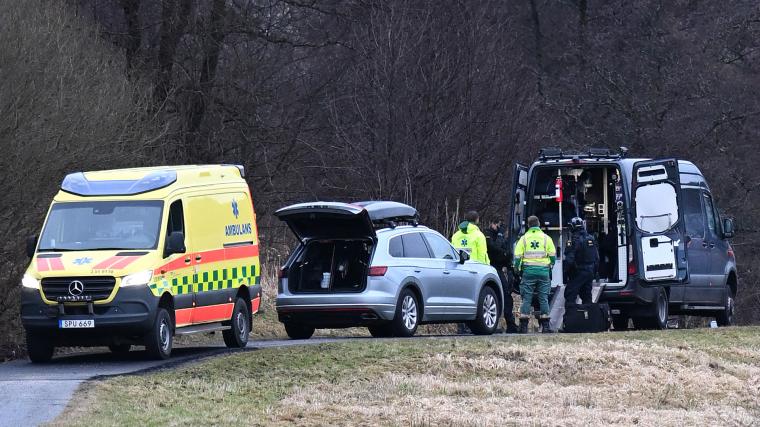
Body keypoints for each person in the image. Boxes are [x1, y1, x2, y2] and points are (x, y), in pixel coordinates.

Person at [513, 215, 556, 333]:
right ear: (539, 224)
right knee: (543, 298)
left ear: (528, 225)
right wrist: (549, 266)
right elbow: (552, 256)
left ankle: (523, 327)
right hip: (543, 272)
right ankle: (546, 327)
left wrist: (517, 269)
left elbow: (517, 257)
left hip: (528, 272)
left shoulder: (524, 239)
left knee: (527, 298)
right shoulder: (546, 238)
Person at [485, 219, 519, 333]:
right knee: (497, 296)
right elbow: (496, 249)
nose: (500, 228)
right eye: (498, 225)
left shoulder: (501, 237)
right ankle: (496, 324)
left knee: (507, 296)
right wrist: (499, 235)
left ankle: (510, 324)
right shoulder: (487, 234)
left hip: (500, 268)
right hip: (490, 267)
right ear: (492, 223)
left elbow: (505, 252)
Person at [563, 217, 599, 307]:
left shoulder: (574, 241)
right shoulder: (591, 238)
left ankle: (570, 318)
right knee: (587, 296)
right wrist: (595, 272)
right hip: (590, 272)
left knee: (570, 294)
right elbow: (597, 258)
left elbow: (569, 260)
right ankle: (588, 318)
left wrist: (565, 273)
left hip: (578, 271)